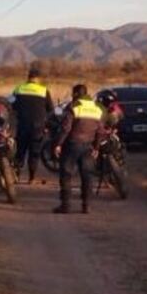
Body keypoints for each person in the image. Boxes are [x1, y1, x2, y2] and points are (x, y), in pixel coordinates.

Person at [52, 84, 103, 214]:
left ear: (75, 94)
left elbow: (66, 128)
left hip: (72, 145)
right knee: (87, 176)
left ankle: (66, 205)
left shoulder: (73, 107)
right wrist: (96, 147)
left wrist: (58, 144)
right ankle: (86, 206)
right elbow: (100, 131)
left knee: (66, 175)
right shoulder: (96, 108)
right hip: (89, 146)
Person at [10, 67, 54, 184]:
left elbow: (11, 105)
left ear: (28, 77)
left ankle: (16, 176)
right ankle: (31, 178)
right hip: (38, 127)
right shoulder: (44, 90)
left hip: (23, 124)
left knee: (20, 152)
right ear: (38, 79)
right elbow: (50, 109)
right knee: (34, 152)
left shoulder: (19, 88)